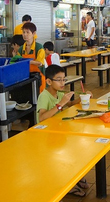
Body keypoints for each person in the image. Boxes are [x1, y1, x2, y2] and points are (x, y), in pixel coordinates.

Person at [36, 64, 92, 197]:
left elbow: (71, 104)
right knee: (68, 155)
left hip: (59, 130)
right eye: (59, 80)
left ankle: (75, 178)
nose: (63, 83)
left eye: (64, 79)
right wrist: (60, 104)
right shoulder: (44, 96)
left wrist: (84, 97)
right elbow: (42, 117)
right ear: (49, 81)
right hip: (46, 136)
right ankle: (68, 186)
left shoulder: (59, 93)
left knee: (77, 148)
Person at [17, 22, 46, 93]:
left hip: (38, 78)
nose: (25, 35)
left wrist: (25, 62)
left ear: (34, 33)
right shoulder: (21, 49)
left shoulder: (39, 47)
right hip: (26, 78)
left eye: (27, 32)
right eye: (23, 32)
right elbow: (18, 62)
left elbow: (39, 63)